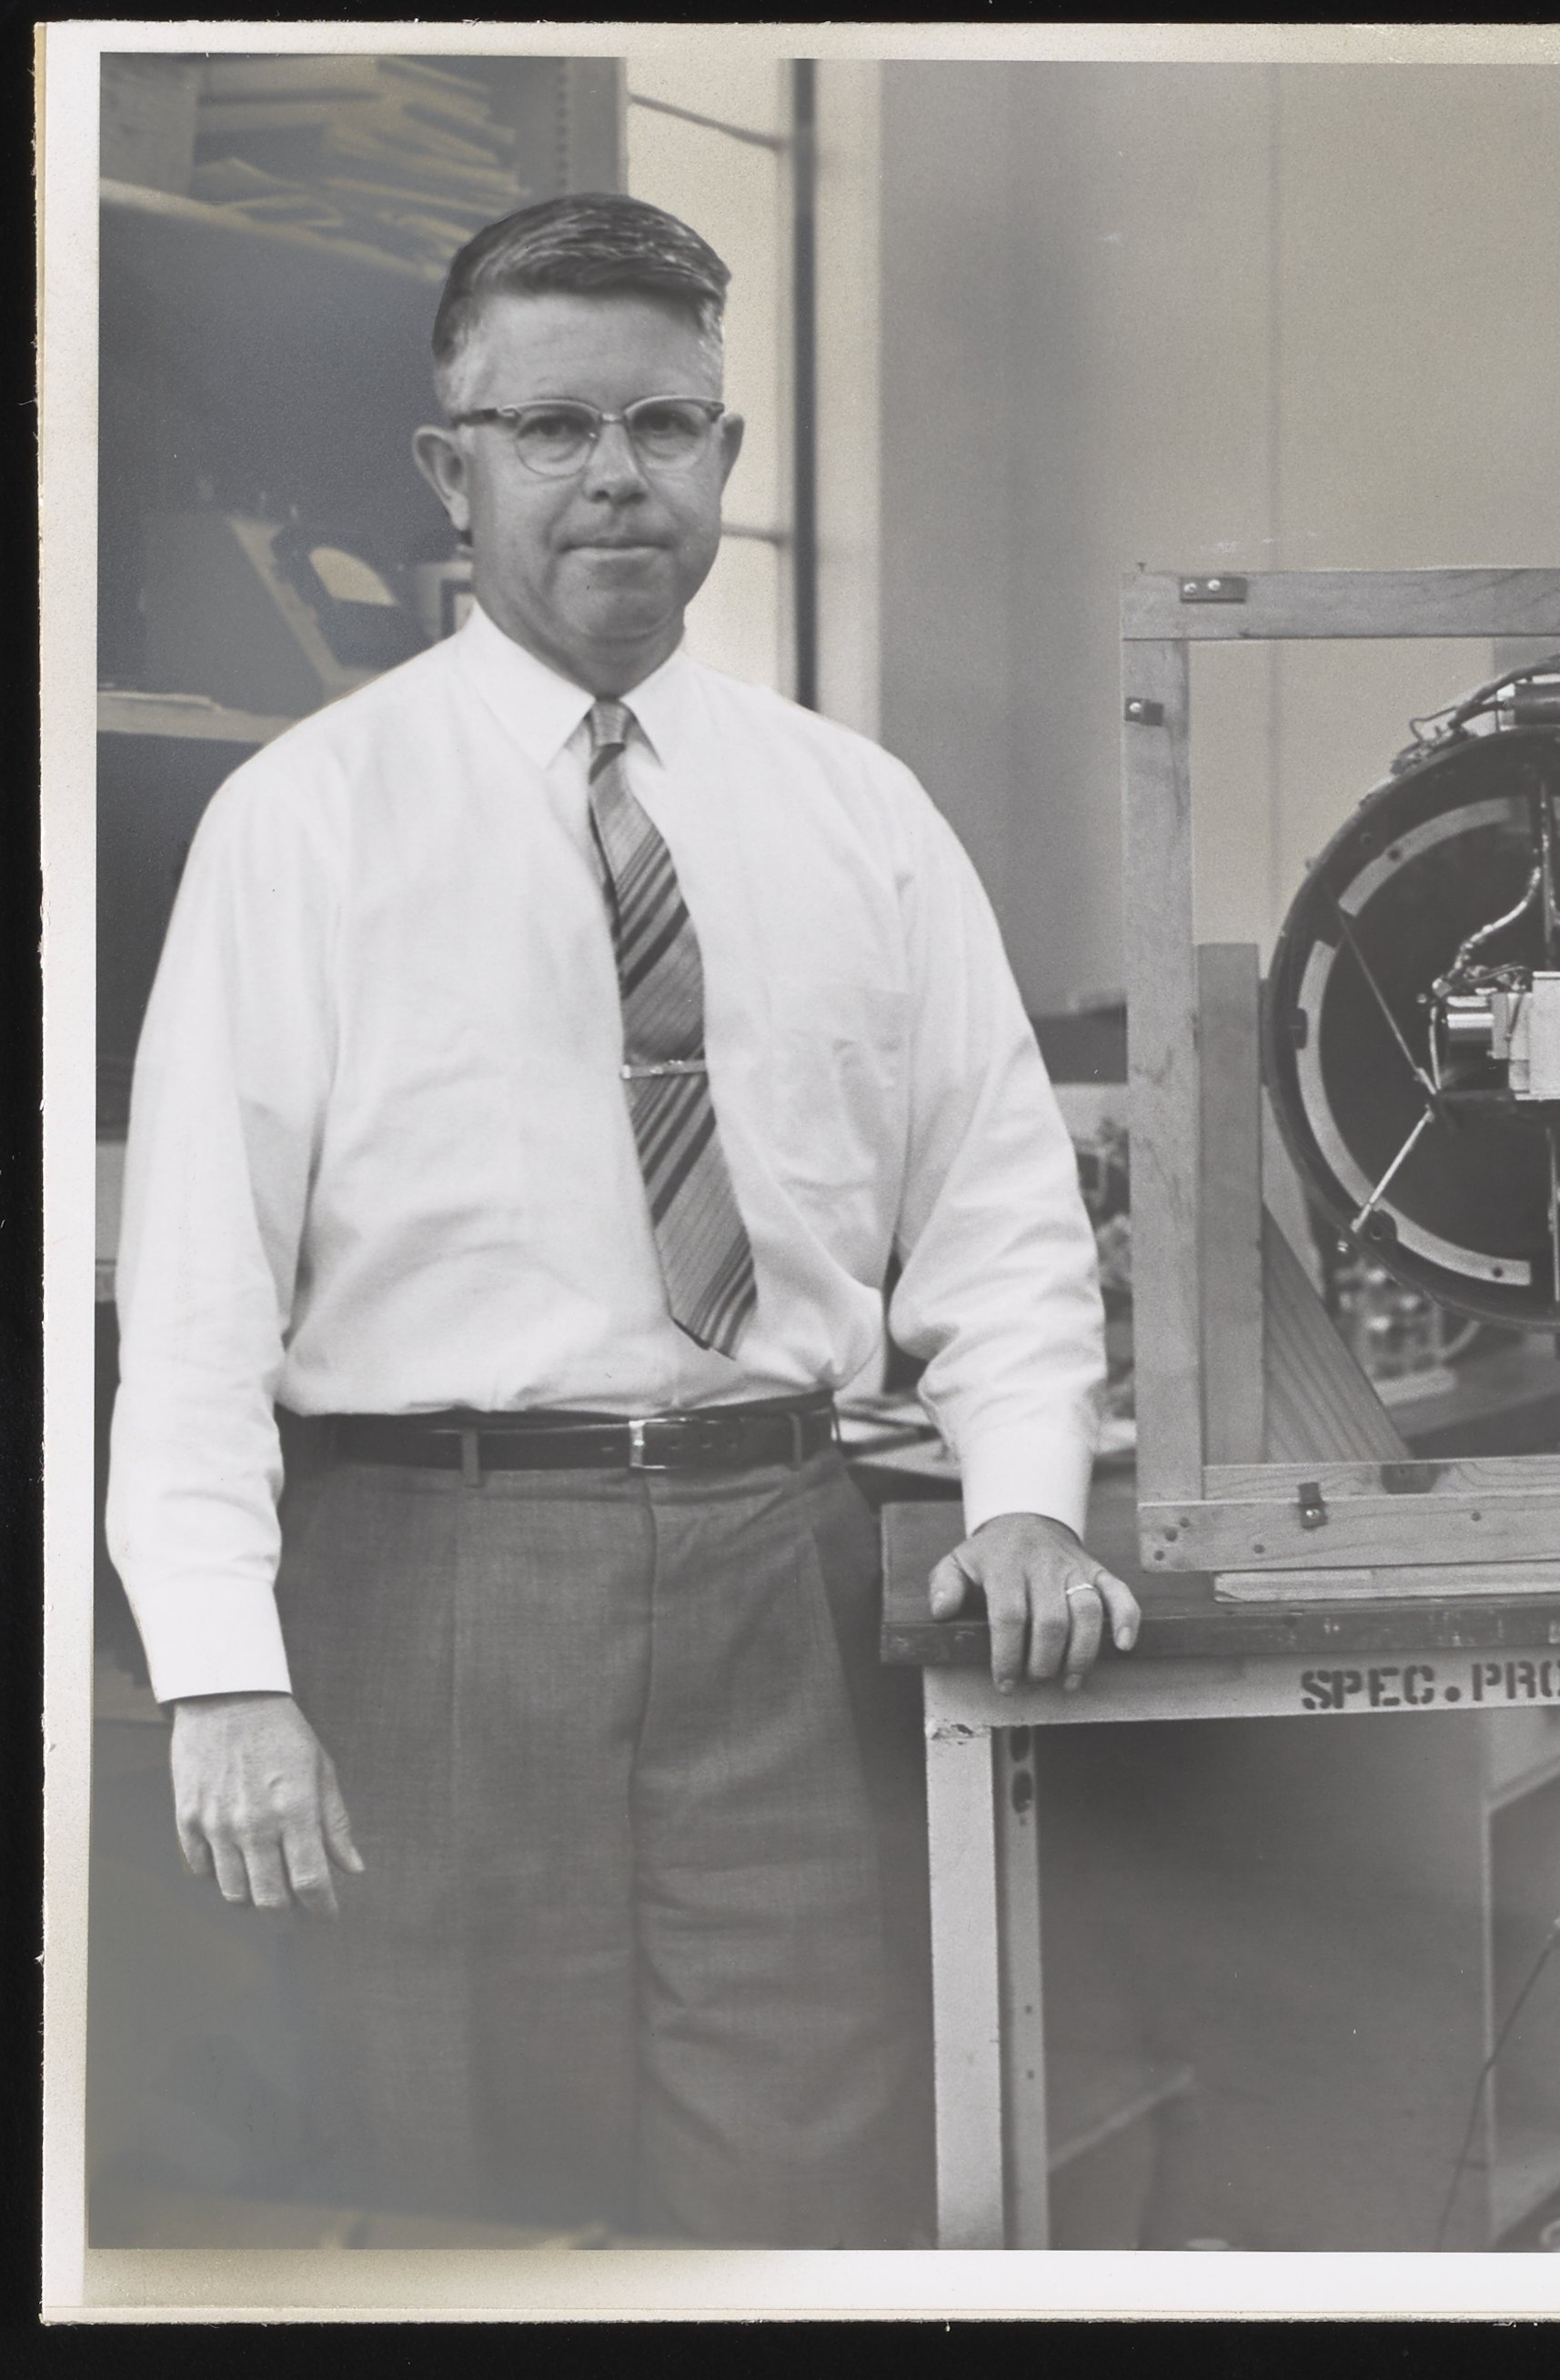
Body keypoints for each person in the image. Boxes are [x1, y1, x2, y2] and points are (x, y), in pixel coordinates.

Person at [106, 194, 1138, 2247]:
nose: (615, 476)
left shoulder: (860, 813)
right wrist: (221, 1670)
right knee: (469, 2190)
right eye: (553, 426)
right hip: (434, 1578)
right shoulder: (305, 818)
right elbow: (201, 1299)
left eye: (665, 425)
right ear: (452, 466)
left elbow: (1004, 1208)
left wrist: (1027, 1493)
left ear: (724, 457)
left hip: (779, 1573)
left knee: (806, 2174)